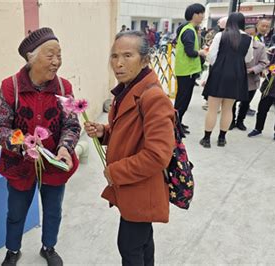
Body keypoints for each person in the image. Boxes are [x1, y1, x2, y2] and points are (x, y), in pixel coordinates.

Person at [0, 27, 81, 266]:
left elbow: (71, 125)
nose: (56, 62)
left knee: (53, 210)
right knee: (16, 212)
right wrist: (23, 142)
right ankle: (13, 251)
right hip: (19, 164)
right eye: (50, 55)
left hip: (53, 163)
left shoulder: (64, 88)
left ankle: (48, 247)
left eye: (59, 55)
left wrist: (64, 149)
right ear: (32, 57)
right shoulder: (11, 86)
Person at [84, 30, 175, 266]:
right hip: (132, 186)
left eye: (127, 55)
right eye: (114, 56)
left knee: (129, 245)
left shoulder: (152, 97)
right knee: (142, 240)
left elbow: (158, 155)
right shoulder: (127, 89)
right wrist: (105, 132)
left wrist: (115, 172)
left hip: (141, 187)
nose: (118, 63)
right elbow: (130, 132)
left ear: (145, 59)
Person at [200, 12, 253, 148]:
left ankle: (206, 139)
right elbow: (248, 59)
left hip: (219, 73)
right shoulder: (249, 38)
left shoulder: (220, 35)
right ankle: (222, 138)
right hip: (237, 74)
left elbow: (211, 57)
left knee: (212, 109)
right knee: (228, 109)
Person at [174, 3, 206, 134]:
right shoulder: (189, 31)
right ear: (195, 15)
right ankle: (175, 127)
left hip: (186, 71)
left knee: (182, 99)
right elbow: (190, 52)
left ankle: (178, 123)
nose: (203, 16)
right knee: (182, 101)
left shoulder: (188, 28)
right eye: (201, 13)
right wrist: (201, 52)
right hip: (187, 71)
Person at [231, 24, 269, 131]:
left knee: (245, 103)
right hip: (236, 79)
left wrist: (253, 69)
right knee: (231, 102)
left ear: (256, 34)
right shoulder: (235, 45)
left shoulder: (260, 46)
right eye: (246, 34)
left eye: (251, 34)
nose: (249, 36)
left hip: (251, 80)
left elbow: (263, 62)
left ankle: (240, 121)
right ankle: (231, 121)